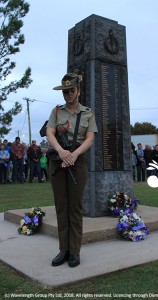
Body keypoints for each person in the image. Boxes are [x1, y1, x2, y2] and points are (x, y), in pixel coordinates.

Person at [46, 73, 98, 268]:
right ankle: (63, 249)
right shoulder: (56, 112)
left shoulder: (88, 113)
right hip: (58, 162)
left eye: (72, 90)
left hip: (78, 162)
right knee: (61, 206)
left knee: (75, 208)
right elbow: (50, 133)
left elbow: (90, 138)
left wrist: (73, 155)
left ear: (78, 91)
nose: (68, 94)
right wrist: (60, 152)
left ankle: (75, 251)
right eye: (65, 91)